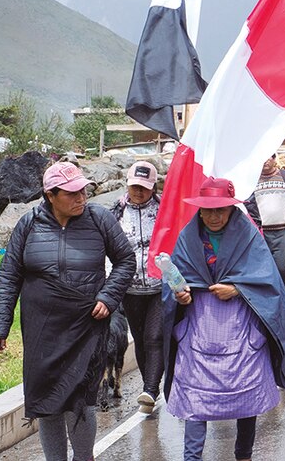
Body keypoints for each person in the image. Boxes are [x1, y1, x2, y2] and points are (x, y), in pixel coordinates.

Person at [0, 162, 135, 461]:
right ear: (50, 195)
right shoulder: (29, 224)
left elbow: (125, 260)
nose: (81, 197)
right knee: (47, 402)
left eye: (82, 190)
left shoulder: (99, 219)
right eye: (71, 193)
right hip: (43, 330)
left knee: (81, 401)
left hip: (86, 327)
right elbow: (9, 275)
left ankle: (84, 457)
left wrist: (108, 297)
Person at [165, 177, 285, 461]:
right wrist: (182, 296)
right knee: (194, 396)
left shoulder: (249, 237)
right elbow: (175, 283)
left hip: (241, 327)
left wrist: (238, 288)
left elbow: (269, 282)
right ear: (199, 210)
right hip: (198, 327)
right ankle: (191, 457)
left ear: (231, 210)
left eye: (221, 210)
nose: (214, 216)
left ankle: (244, 455)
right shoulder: (187, 239)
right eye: (208, 210)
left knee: (245, 395)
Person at [109, 161, 165, 413]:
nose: (139, 192)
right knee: (141, 339)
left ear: (153, 187)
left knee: (155, 337)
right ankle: (148, 385)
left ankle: (151, 390)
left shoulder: (165, 209)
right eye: (134, 186)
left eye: (144, 187)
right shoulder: (116, 213)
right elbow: (107, 251)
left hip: (160, 285)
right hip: (129, 289)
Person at [245, 154, 285, 294]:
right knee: (262, 270)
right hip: (260, 233)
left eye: (269, 156)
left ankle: (284, 296)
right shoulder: (251, 180)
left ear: (274, 159)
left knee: (283, 267)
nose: (265, 160)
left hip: (282, 232)